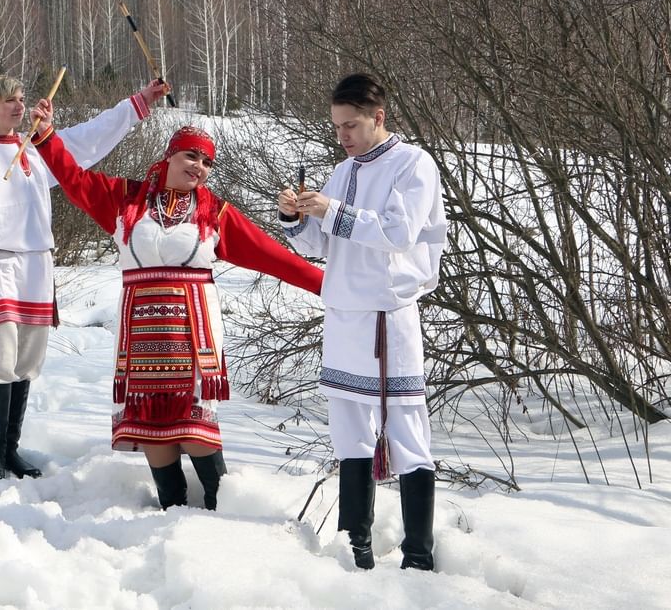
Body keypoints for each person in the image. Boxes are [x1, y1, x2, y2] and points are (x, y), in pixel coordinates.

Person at [31, 115, 324, 510]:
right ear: (169, 156)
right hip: (141, 338)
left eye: (206, 163)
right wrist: (47, 138)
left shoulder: (214, 213)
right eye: (191, 156)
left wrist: (326, 284)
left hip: (192, 335)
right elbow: (74, 180)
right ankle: (171, 513)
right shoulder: (125, 200)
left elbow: (271, 257)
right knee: (155, 432)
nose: (199, 167)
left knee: (196, 428)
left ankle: (222, 514)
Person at [0, 75, 167, 480]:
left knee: (28, 361)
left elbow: (89, 139)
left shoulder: (36, 147)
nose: (16, 106)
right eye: (7, 100)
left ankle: (10, 449)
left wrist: (138, 103)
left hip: (36, 265)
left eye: (20, 98)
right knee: (2, 356)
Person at [278, 73, 447, 571]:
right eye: (336, 127)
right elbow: (322, 246)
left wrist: (331, 209)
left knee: (407, 430)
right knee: (348, 431)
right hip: (343, 313)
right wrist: (297, 217)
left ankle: (418, 554)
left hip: (388, 315)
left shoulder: (413, 164)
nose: (342, 136)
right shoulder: (343, 169)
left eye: (350, 125)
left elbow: (398, 234)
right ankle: (359, 551)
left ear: (379, 117)